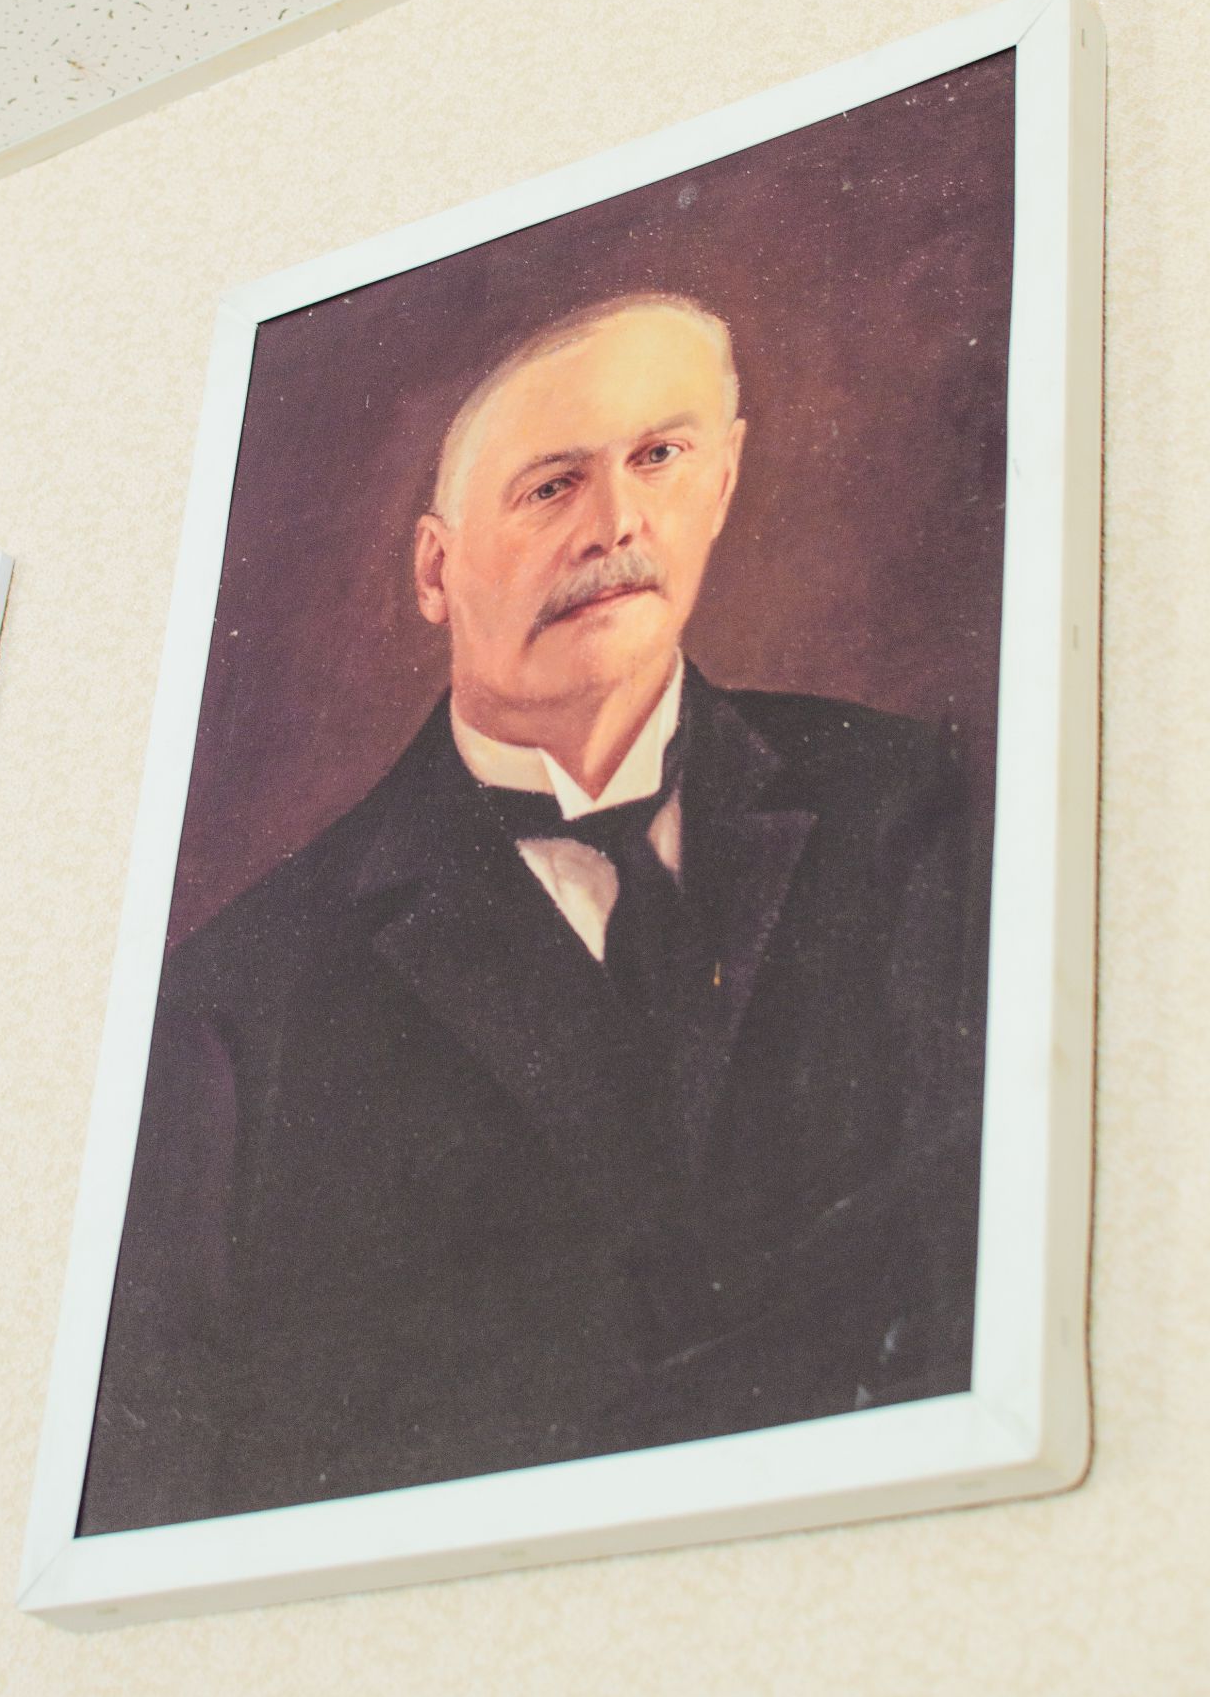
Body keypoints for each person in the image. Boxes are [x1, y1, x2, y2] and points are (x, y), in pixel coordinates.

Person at [79, 293, 983, 1535]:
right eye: (552, 487)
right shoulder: (235, 1006)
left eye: (659, 457)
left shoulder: (907, 802)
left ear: (723, 480)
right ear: (435, 570)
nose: (615, 525)